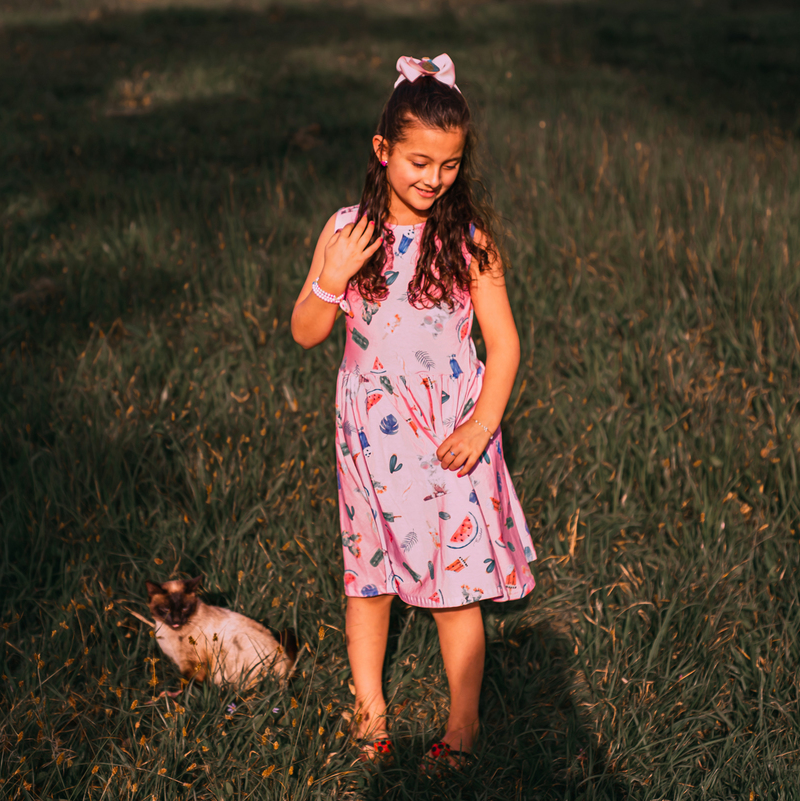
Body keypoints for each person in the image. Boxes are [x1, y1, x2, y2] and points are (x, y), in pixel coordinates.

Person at [290, 54, 538, 772]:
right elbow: (305, 331)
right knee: (368, 580)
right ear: (383, 150)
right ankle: (370, 710)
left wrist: (482, 426)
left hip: (451, 435)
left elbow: (504, 344)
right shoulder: (346, 231)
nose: (434, 178)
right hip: (370, 438)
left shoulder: (468, 242)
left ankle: (463, 726)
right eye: (419, 162)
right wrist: (331, 279)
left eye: (450, 165)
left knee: (453, 587)